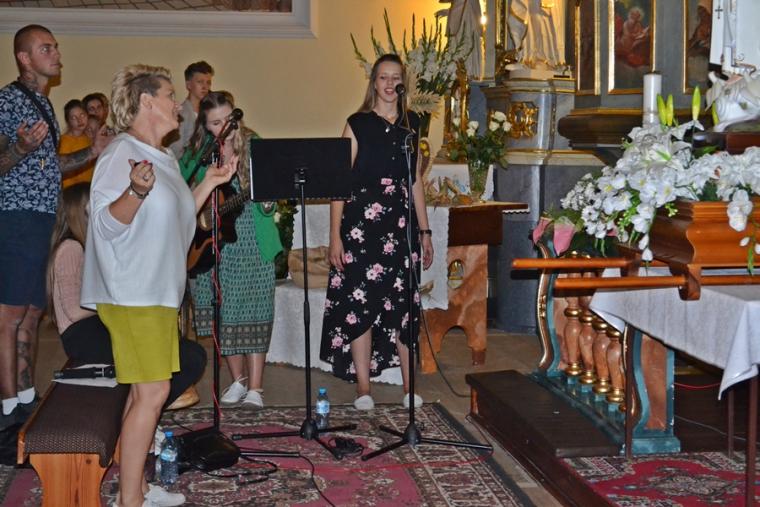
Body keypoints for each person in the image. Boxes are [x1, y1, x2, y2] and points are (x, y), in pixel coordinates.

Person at [81, 64, 236, 507]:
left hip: (157, 292)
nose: (177, 104)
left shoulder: (162, 156)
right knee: (153, 393)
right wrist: (134, 191)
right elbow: (104, 226)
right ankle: (129, 500)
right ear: (147, 102)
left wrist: (210, 181)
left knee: (145, 392)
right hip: (134, 292)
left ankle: (138, 488)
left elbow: (182, 220)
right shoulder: (120, 153)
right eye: (170, 95)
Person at [0, 24, 111, 431]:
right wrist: (19, 148)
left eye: (56, 46)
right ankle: (7, 410)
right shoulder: (7, 101)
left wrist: (92, 152)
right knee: (9, 315)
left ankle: (26, 399)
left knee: (32, 313)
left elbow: (51, 167)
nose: (56, 53)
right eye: (46, 48)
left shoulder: (44, 104)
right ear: (24, 58)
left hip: (44, 216)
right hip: (16, 216)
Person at [319, 54, 434, 411]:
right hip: (362, 229)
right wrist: (335, 236)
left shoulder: (412, 124)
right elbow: (339, 183)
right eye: (383, 77)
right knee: (360, 307)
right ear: (373, 82)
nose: (389, 84)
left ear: (403, 83)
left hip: (400, 229)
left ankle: (409, 388)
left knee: (404, 308)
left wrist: (425, 230)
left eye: (395, 77)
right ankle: (363, 388)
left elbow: (415, 180)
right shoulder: (357, 123)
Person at [47, 182, 207, 411]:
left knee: (184, 352)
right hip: (83, 335)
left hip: (95, 328)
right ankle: (140, 409)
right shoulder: (70, 248)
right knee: (187, 356)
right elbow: (73, 311)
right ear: (79, 213)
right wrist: (116, 301)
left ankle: (142, 408)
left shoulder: (82, 247)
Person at [180, 90, 282, 409]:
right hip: (211, 246)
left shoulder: (254, 145)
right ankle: (237, 381)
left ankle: (256, 387)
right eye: (215, 123)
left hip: (252, 239)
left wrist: (268, 203)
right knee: (223, 312)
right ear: (205, 125)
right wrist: (200, 215)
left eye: (228, 119)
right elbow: (179, 189)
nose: (223, 127)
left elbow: (269, 196)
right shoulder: (199, 152)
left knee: (254, 308)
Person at [168, 61, 214, 158]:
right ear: (188, 85)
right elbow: (175, 151)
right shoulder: (181, 114)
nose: (205, 87)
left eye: (208, 83)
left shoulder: (210, 113)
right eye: (200, 82)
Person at [59, 99, 95, 188]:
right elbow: (64, 171)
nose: (80, 120)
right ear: (68, 121)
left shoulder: (88, 138)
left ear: (87, 115)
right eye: (74, 118)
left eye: (82, 115)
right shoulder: (64, 141)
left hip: (89, 187)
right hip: (72, 190)